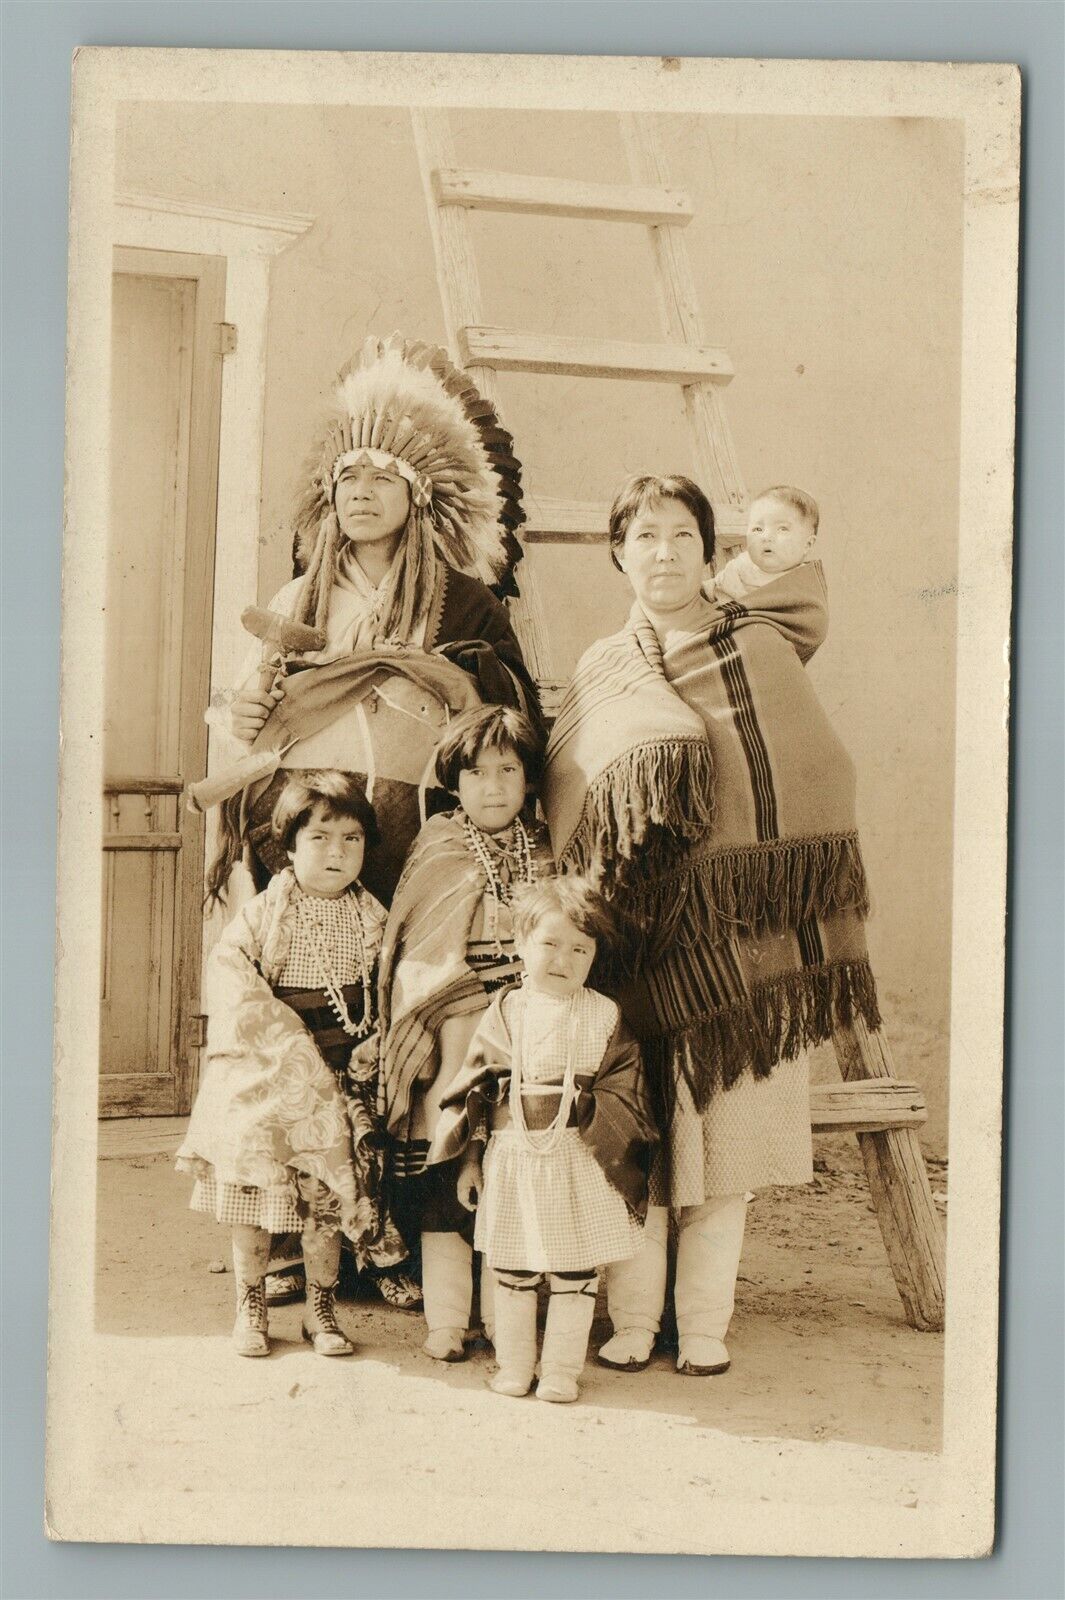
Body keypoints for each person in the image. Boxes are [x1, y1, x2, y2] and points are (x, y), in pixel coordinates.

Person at [198, 333, 542, 1307]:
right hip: (306, 850)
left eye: (382, 477)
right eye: (346, 477)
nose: (360, 493)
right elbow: (244, 725)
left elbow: (509, 715)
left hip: (414, 851)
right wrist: (252, 721)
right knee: (306, 1029)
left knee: (401, 1032)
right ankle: (301, 1234)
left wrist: (447, 690)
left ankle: (398, 1233)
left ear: (419, 496)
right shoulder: (296, 598)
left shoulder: (461, 599)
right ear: (327, 496)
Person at [542, 473, 880, 1378]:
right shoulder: (601, 668)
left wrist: (742, 881)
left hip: (737, 947)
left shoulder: (758, 644)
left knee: (722, 1145)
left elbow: (815, 771)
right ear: (618, 552)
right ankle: (631, 1319)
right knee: (634, 1130)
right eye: (643, 536)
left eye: (681, 536)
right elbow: (574, 808)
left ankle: (703, 1328)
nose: (662, 553)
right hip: (637, 943)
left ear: (706, 549)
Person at [176, 771, 405, 1358]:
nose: (336, 853)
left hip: (338, 1074)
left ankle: (320, 1309)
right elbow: (230, 974)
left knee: (327, 1203)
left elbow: (390, 988)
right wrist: (283, 1042)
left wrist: (375, 1038)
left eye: (351, 840)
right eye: (320, 838)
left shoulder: (372, 916)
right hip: (271, 1077)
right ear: (289, 846)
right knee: (256, 1200)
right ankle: (249, 1301)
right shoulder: (265, 912)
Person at [426, 877, 657, 1404]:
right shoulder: (506, 1011)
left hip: (578, 1157)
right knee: (513, 1265)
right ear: (521, 943)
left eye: (580, 948)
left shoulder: (604, 1014)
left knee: (575, 1270)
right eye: (550, 943)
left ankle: (559, 1369)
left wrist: (607, 1152)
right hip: (513, 1158)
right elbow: (475, 1093)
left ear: (595, 955)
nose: (563, 959)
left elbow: (626, 1092)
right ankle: (514, 1364)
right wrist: (470, 1164)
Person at [377, 704, 555, 1362]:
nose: (493, 786)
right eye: (477, 772)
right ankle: (447, 1320)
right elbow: (418, 955)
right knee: (448, 1169)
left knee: (514, 1175)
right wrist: (475, 996)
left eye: (508, 770)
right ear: (454, 781)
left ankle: (505, 1316)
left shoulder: (546, 846)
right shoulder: (441, 844)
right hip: (456, 1033)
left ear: (529, 779)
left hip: (534, 1030)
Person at [712, 485, 820, 603]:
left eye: (782, 529)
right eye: (758, 529)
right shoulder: (739, 567)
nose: (766, 537)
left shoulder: (805, 584)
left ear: (807, 544)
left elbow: (809, 617)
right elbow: (707, 591)